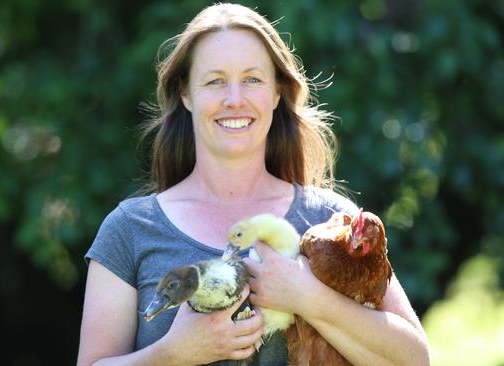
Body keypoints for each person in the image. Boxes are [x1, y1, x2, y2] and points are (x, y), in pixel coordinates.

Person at [78, 3, 430, 365]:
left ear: (277, 93)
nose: (234, 99)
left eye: (252, 80)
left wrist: (307, 296)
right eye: (215, 81)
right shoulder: (130, 230)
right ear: (185, 93)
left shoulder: (333, 223)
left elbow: (416, 360)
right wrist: (173, 353)